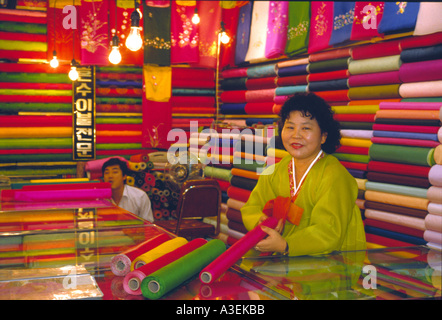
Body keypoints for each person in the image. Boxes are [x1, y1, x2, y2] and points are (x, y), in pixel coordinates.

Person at [241, 92, 366, 256]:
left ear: (323, 136)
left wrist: (286, 245)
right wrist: (260, 221)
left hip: (327, 266)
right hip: (284, 265)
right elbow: (252, 207)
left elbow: (328, 231)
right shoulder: (276, 169)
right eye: (290, 127)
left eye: (306, 128)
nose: (296, 135)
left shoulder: (334, 175)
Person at [102, 157, 154, 222]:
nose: (110, 176)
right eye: (106, 173)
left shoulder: (140, 196)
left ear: (124, 176)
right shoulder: (100, 199)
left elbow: (148, 224)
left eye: (115, 172)